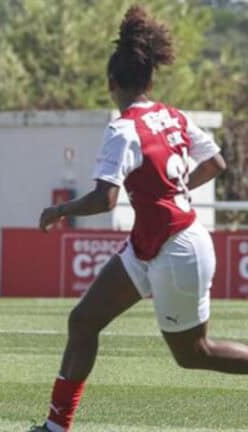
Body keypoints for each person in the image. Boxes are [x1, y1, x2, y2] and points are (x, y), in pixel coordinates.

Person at [30, 6, 248, 431]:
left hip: (176, 248)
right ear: (149, 81)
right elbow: (217, 162)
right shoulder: (173, 117)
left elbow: (105, 198)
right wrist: (180, 190)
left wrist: (60, 211)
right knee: (83, 320)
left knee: (193, 354)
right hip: (151, 245)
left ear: (112, 84)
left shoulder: (124, 128)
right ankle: (56, 427)